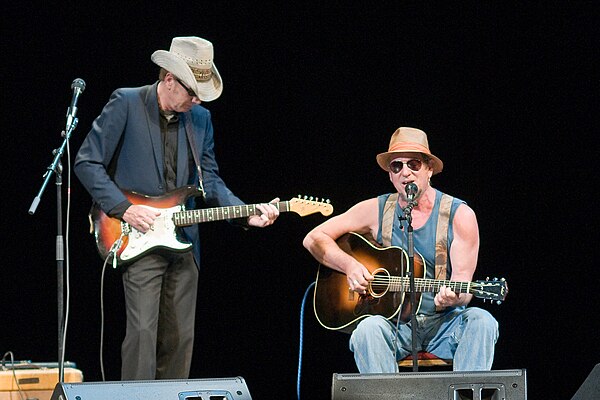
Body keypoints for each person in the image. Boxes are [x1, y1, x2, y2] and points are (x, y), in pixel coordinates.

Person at [74, 36, 280, 380]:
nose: (196, 99)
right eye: (191, 91)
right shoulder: (126, 102)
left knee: (181, 339)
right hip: (137, 235)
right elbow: (87, 162)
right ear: (168, 78)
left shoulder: (200, 118)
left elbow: (209, 181)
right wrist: (124, 209)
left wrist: (246, 212)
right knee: (142, 335)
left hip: (185, 241)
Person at [303, 127, 499, 372]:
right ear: (390, 175)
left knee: (482, 321)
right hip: (395, 325)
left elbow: (464, 286)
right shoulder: (376, 209)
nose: (405, 172)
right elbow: (314, 237)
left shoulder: (459, 215)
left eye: (414, 164)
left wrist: (454, 296)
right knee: (367, 330)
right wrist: (350, 265)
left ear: (429, 169)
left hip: (444, 324)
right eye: (397, 166)